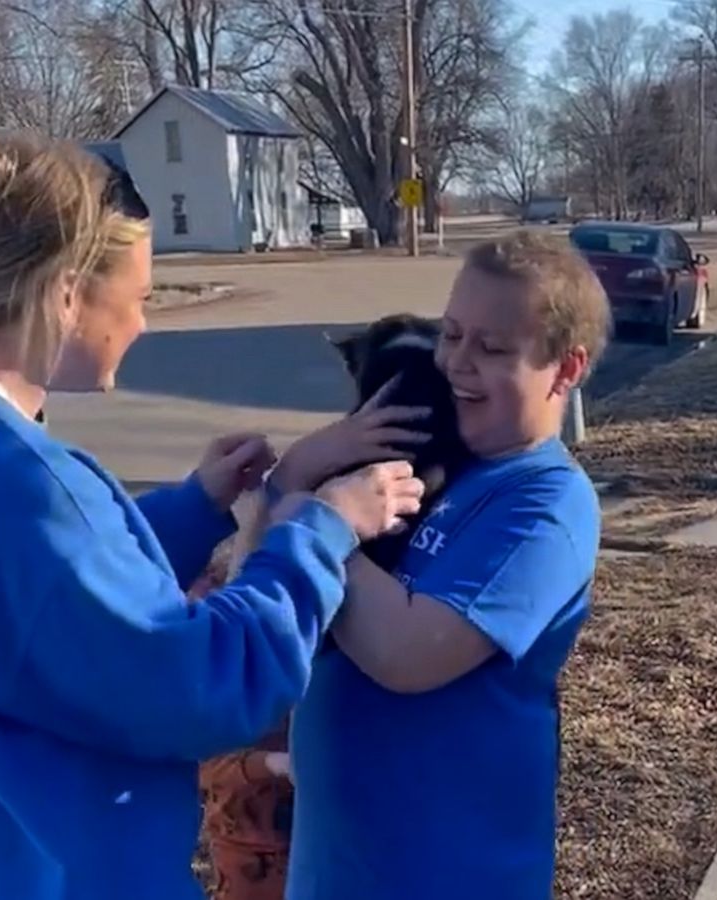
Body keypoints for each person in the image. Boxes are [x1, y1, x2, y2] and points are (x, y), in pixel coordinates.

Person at [0, 125, 429, 900]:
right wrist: (321, 531)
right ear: (65, 294)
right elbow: (205, 688)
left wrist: (195, 509)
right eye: (137, 298)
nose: (141, 323)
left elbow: (35, 606)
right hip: (45, 871)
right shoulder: (30, 491)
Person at [273, 230, 613, 899]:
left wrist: (316, 519)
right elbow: (268, 566)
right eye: (451, 334)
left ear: (566, 370)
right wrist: (306, 471)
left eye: (491, 348)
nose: (457, 363)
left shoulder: (544, 503)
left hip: (452, 877)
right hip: (332, 874)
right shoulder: (434, 454)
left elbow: (406, 654)